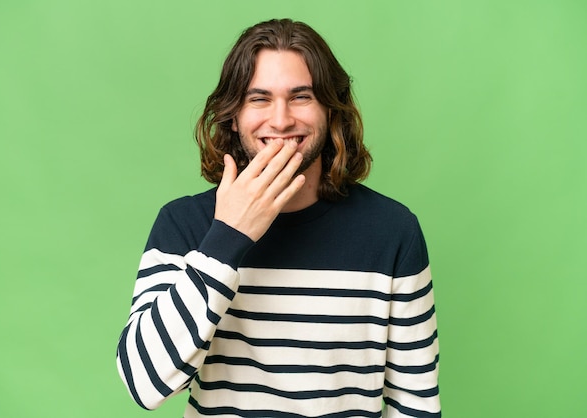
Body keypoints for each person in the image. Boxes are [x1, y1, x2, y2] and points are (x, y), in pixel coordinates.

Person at [116, 18, 441, 418]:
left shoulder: (393, 231)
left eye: (301, 96)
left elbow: (416, 402)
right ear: (233, 115)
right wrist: (228, 237)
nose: (282, 119)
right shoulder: (184, 224)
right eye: (259, 98)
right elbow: (143, 383)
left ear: (330, 109)